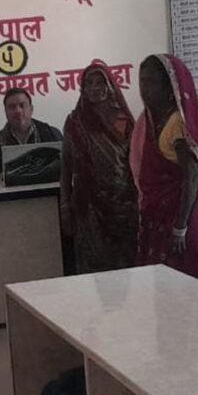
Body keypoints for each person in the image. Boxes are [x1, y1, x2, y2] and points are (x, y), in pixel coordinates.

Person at [130, 54, 198, 281]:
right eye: (142, 81)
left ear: (169, 87)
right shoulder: (149, 120)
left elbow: (192, 177)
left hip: (179, 219)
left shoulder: (177, 123)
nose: (145, 89)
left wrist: (180, 227)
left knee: (184, 283)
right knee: (160, 284)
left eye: (151, 82)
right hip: (157, 216)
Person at [60, 63, 139, 274]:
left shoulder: (123, 119)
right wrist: (65, 206)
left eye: (100, 82)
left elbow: (135, 163)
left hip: (123, 204)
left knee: (126, 268)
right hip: (88, 207)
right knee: (93, 269)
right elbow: (66, 166)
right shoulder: (75, 122)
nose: (95, 88)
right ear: (83, 89)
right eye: (89, 83)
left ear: (110, 85)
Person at [0, 87, 63, 184]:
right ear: (5, 112)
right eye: (12, 107)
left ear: (31, 109)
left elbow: (67, 166)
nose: (18, 111)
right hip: (10, 194)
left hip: (48, 192)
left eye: (22, 105)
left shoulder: (52, 134)